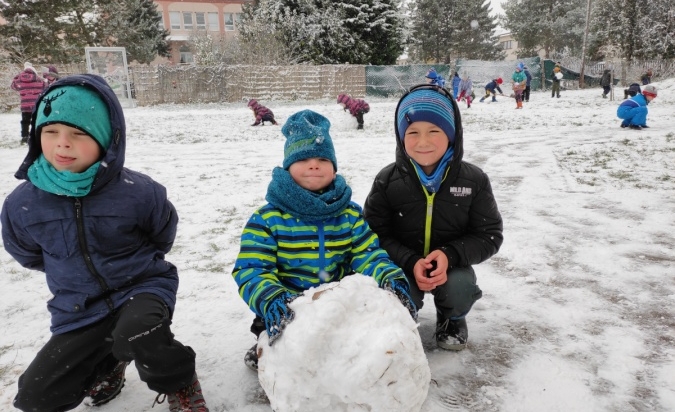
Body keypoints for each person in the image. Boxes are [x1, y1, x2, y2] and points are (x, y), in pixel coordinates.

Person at [1, 74, 210, 412]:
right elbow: (27, 253)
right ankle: (109, 364)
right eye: (50, 132)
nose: (62, 143)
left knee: (139, 332)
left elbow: (162, 235)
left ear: (106, 140)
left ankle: (180, 382)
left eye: (78, 134)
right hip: (79, 307)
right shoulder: (22, 204)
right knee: (36, 397)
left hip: (141, 288)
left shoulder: (139, 192)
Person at [232, 109, 416, 371]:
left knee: (346, 353)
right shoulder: (267, 219)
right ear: (288, 167)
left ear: (333, 167)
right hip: (288, 306)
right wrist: (273, 299)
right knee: (290, 355)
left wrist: (389, 276)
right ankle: (267, 342)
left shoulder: (349, 214)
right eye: (303, 158)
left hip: (336, 307)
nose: (314, 165)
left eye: (322, 158)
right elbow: (252, 269)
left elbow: (367, 253)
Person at [363, 85, 503, 351]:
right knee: (396, 292)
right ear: (401, 137)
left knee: (459, 287)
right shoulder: (388, 180)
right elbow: (372, 234)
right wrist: (409, 260)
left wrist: (450, 255)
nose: (423, 142)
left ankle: (452, 319)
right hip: (402, 264)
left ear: (451, 135)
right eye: (413, 132)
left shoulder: (473, 180)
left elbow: (489, 235)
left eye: (434, 131)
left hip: (451, 266)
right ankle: (402, 318)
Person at [10, 62, 45, 144]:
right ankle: (35, 136)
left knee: (25, 122)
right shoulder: (38, 79)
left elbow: (13, 86)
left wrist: (16, 78)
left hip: (25, 106)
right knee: (35, 121)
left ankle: (25, 137)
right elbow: (45, 86)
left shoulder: (20, 80)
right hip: (35, 105)